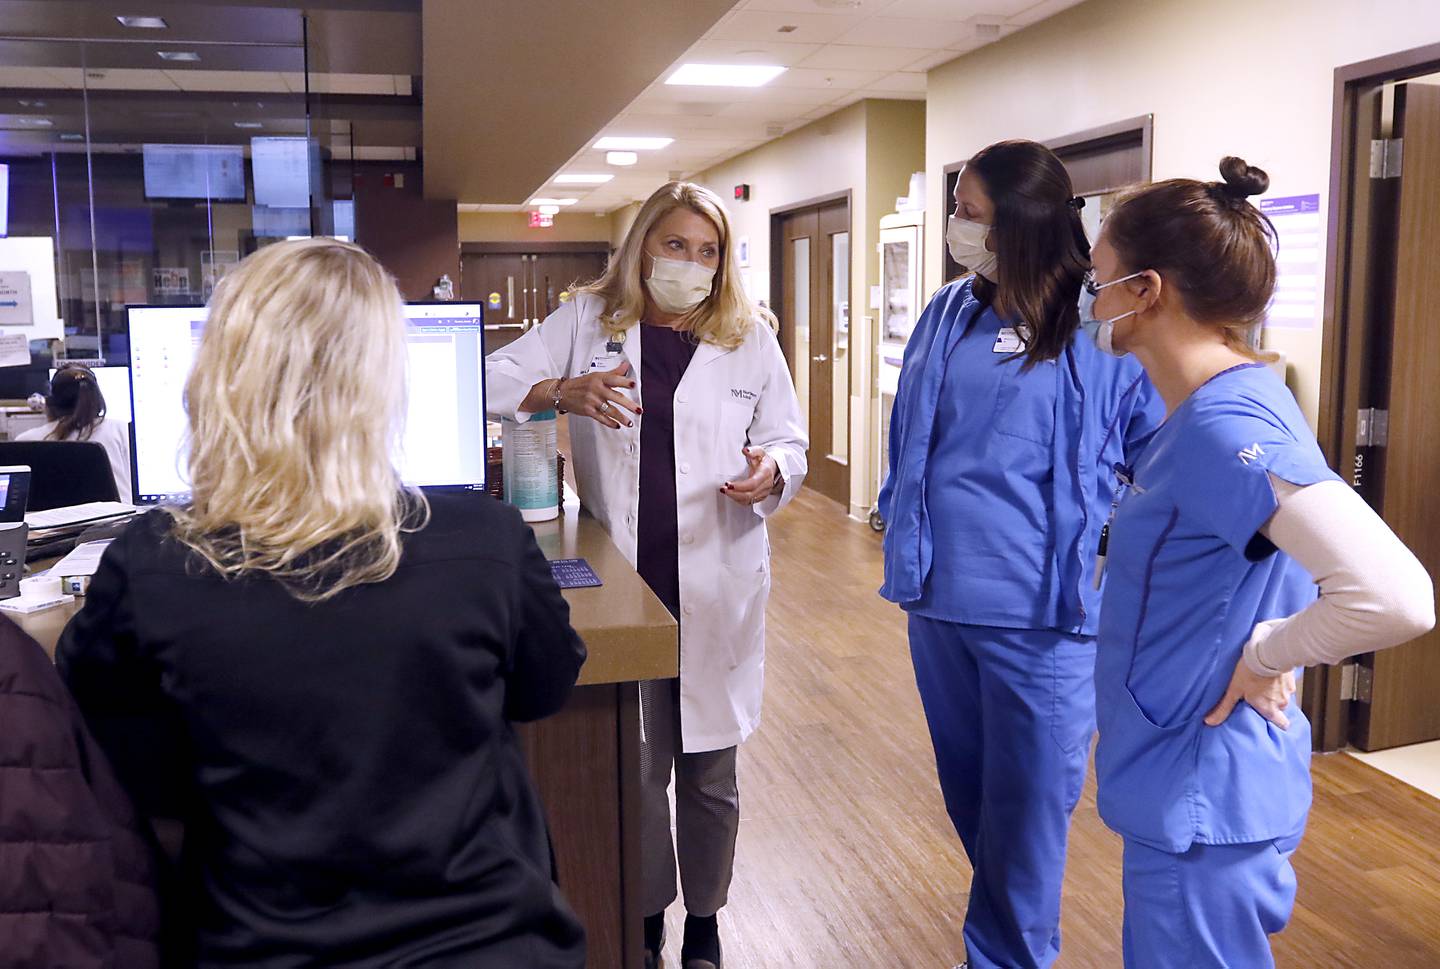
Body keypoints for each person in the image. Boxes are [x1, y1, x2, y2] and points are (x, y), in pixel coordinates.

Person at [56, 238, 589, 968]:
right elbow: (546, 683)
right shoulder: (484, 540)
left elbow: (99, 738)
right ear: (382, 383)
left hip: (263, 946)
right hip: (487, 940)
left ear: (222, 375)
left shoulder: (155, 561)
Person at [1084, 157, 1434, 968]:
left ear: (1147, 290)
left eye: (1099, 279)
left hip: (1202, 792)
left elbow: (1395, 595)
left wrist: (1268, 650)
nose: (1089, 300)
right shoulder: (1218, 404)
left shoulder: (1223, 424)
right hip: (1198, 779)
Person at [486, 181, 807, 969]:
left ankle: (705, 922)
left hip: (719, 580)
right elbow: (486, 379)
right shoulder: (588, 321)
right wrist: (562, 391)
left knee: (710, 774)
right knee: (636, 773)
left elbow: (788, 440)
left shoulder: (749, 337)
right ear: (642, 249)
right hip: (628, 583)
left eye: (708, 251)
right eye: (676, 245)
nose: (691, 264)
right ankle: (644, 916)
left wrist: (772, 470)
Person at [877, 139, 1163, 969]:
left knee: (1029, 822)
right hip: (938, 604)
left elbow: (1160, 461)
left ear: (1023, 220)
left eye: (967, 211)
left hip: (1044, 621)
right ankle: (1003, 946)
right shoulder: (948, 311)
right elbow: (916, 445)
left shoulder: (1101, 326)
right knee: (978, 811)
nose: (956, 227)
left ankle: (1006, 957)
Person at [19, 364, 133, 502]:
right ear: (97, 397)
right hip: (121, 521)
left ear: (51, 401)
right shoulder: (124, 431)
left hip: (53, 522)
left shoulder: (27, 441)